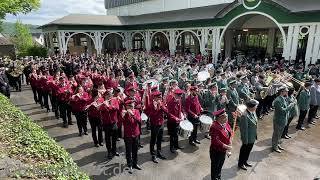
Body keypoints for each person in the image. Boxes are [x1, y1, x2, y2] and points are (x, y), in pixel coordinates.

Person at [209, 109, 232, 180]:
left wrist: (229, 143)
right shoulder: (214, 127)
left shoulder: (225, 123)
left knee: (221, 164)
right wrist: (226, 146)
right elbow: (216, 141)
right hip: (216, 151)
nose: (227, 118)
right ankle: (214, 178)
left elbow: (230, 133)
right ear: (220, 118)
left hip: (223, 150)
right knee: (215, 165)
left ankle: (218, 175)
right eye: (225, 116)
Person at [272, 86, 296, 153]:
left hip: (283, 119)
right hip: (279, 119)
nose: (287, 92)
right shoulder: (278, 100)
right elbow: (283, 111)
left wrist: (292, 102)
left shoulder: (283, 98)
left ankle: (277, 144)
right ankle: (274, 146)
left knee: (280, 133)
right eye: (286, 91)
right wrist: (291, 105)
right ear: (281, 92)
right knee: (276, 134)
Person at [121, 99, 142, 174]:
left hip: (136, 134)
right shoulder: (124, 113)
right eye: (129, 105)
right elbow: (122, 121)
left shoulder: (136, 111)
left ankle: (135, 163)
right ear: (126, 107)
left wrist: (133, 115)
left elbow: (139, 120)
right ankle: (129, 165)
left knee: (135, 150)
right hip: (128, 135)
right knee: (128, 151)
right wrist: (126, 114)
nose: (132, 106)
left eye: (132, 104)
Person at [146, 91, 167, 163]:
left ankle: (159, 152)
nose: (159, 99)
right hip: (154, 124)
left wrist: (161, 106)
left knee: (159, 139)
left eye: (160, 97)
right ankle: (153, 155)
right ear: (154, 98)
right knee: (153, 140)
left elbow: (166, 111)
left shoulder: (161, 103)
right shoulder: (150, 105)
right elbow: (149, 115)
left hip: (161, 124)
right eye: (158, 97)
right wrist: (154, 108)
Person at [238, 99, 259, 170]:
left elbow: (255, 122)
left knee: (248, 150)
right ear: (251, 107)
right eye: (255, 106)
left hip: (252, 136)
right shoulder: (244, 116)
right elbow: (244, 130)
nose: (256, 107)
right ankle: (241, 163)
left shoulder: (253, 112)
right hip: (247, 138)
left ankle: (245, 161)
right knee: (244, 151)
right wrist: (245, 140)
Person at [100, 88, 120, 159]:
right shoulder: (102, 103)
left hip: (114, 122)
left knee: (114, 139)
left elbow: (117, 108)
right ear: (105, 96)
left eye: (110, 95)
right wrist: (104, 105)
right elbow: (101, 110)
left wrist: (109, 106)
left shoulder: (115, 101)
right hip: (106, 123)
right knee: (108, 139)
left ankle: (114, 151)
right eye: (107, 95)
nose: (109, 97)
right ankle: (109, 152)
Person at [167, 88, 185, 153]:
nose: (180, 97)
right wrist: (175, 118)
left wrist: (183, 114)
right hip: (172, 121)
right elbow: (168, 113)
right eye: (179, 95)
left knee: (176, 134)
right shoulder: (170, 102)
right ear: (175, 95)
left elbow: (181, 108)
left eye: (180, 96)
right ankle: (171, 148)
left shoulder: (179, 100)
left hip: (178, 120)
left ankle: (176, 145)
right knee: (172, 135)